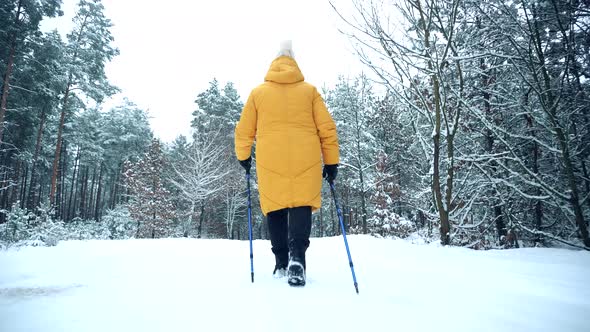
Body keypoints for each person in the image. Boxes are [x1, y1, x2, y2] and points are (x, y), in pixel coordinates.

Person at [234, 40, 339, 286]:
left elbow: (243, 131)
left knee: (275, 206)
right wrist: (331, 162)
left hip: (271, 160)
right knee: (301, 204)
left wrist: (244, 156)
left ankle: (281, 261)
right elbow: (327, 129)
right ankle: (297, 259)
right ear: (295, 63)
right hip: (307, 158)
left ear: (273, 64)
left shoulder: (258, 93)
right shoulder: (309, 91)